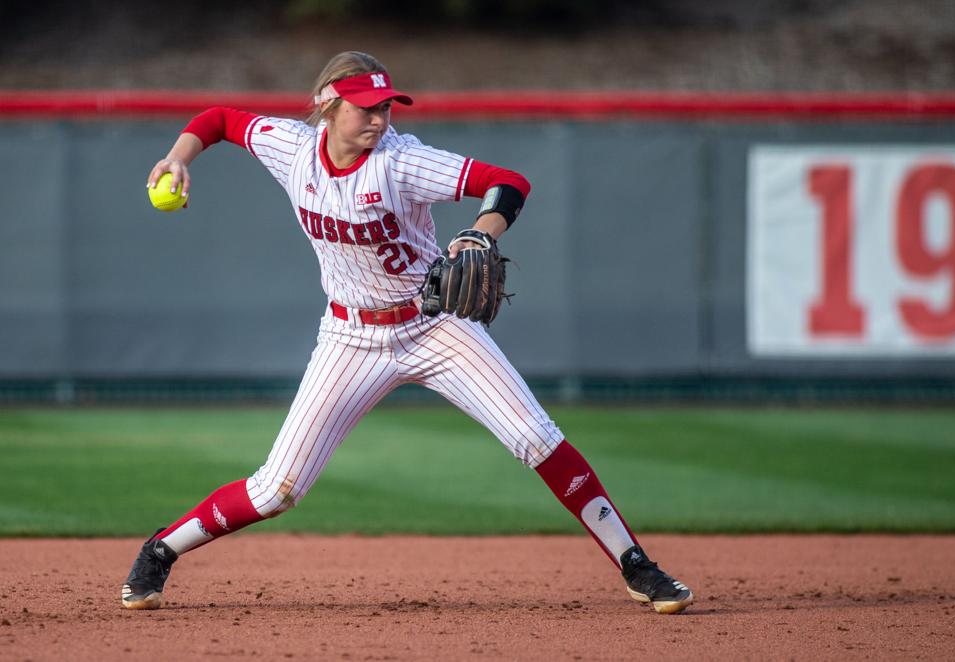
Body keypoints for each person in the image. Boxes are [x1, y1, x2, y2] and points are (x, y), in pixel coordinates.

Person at [121, 51, 693, 615]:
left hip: (434, 325)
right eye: (365, 107)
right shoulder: (290, 146)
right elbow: (219, 120)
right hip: (349, 337)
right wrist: (178, 157)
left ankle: (636, 565)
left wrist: (480, 232)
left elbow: (507, 181)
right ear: (327, 105)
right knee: (277, 489)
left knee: (537, 439)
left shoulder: (400, 162)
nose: (378, 119)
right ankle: (161, 550)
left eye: (386, 107)